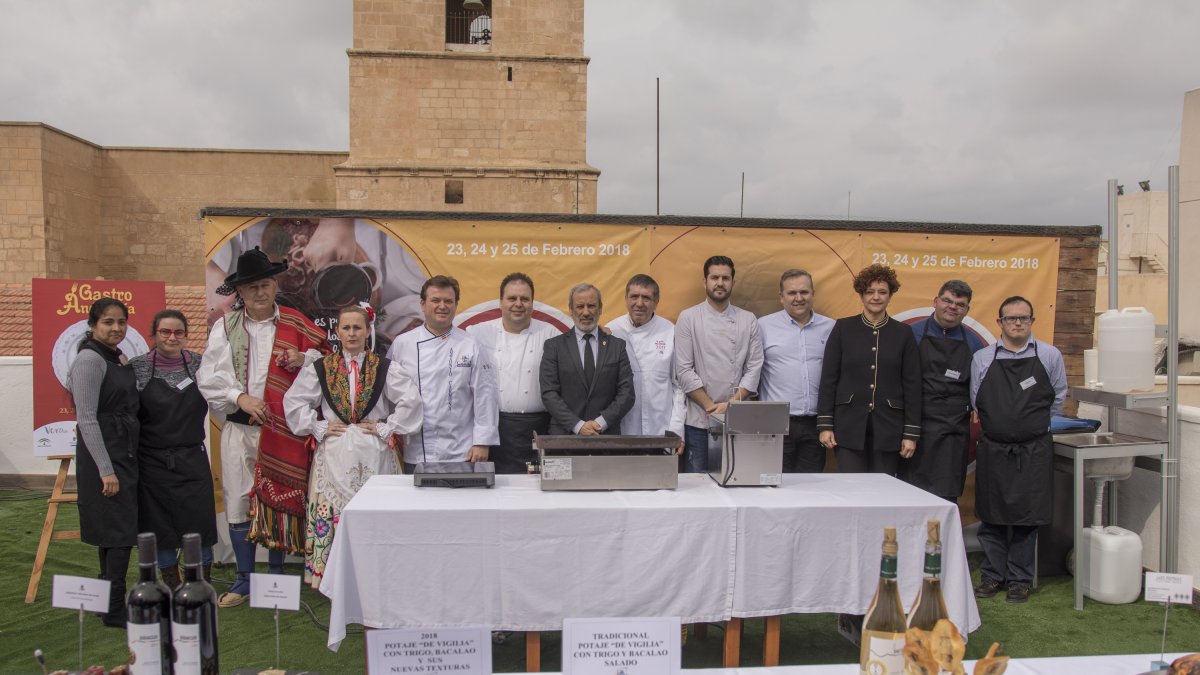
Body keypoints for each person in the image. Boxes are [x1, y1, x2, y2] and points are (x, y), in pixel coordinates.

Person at [197, 246, 329, 608]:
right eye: (252, 286)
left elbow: (328, 366)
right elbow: (208, 378)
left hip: (285, 431)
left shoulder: (297, 324)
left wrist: (304, 359)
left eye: (266, 284)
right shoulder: (226, 327)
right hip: (241, 430)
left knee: (280, 497)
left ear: (275, 285)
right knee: (240, 499)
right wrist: (240, 398)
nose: (260, 292)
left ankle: (276, 579)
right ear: (239, 291)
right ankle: (243, 579)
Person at [284, 305, 422, 587]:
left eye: (357, 327)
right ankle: (333, 577)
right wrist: (318, 426)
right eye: (346, 328)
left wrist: (387, 426)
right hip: (335, 451)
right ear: (336, 332)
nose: (351, 333)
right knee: (331, 509)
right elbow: (295, 401)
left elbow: (411, 401)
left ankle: (379, 572)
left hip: (374, 450)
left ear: (368, 331)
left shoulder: (384, 367)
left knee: (377, 510)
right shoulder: (321, 367)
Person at [971, 295, 1067, 603]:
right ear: (999, 322)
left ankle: (1020, 579)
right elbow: (976, 400)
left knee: (1027, 518)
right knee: (993, 515)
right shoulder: (982, 359)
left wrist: (1028, 426)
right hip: (993, 449)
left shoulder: (1050, 356)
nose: (1017, 323)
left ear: (1031, 321)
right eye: (1011, 318)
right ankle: (992, 575)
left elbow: (1058, 397)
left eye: (1023, 318)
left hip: (1034, 449)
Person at [130, 310, 218, 590]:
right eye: (165, 332)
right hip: (152, 461)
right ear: (154, 335)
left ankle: (200, 585)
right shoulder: (137, 368)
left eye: (178, 332)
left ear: (186, 335)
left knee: (200, 526)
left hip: (192, 457)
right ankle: (170, 584)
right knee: (160, 528)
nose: (172, 337)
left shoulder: (199, 364)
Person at [68, 298, 139, 627]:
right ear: (93, 325)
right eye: (108, 322)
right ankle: (113, 609)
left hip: (120, 451)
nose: (116, 328)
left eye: (121, 322)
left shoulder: (116, 358)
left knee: (114, 532)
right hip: (104, 456)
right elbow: (86, 419)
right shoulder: (88, 360)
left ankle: (104, 604)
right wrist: (106, 469)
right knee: (121, 532)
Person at [817, 264, 921, 475]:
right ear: (861, 295)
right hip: (848, 426)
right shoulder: (843, 328)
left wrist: (910, 433)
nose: (876, 297)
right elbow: (829, 379)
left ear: (890, 295)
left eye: (882, 292)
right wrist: (825, 425)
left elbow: (912, 385)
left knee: (883, 492)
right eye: (869, 292)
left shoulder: (903, 333)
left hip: (890, 428)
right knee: (852, 488)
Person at [386, 275, 498, 470]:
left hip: (462, 449)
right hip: (415, 449)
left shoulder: (471, 345)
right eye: (435, 300)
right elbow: (388, 393)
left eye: (448, 301)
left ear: (456, 305)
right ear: (422, 304)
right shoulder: (402, 344)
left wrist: (482, 442)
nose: (442, 306)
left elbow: (485, 395)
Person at [899, 280, 987, 502]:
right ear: (936, 301)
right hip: (917, 426)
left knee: (946, 495)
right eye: (947, 300)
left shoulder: (974, 342)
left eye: (960, 304)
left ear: (967, 310)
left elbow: (981, 385)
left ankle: (941, 538)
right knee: (911, 493)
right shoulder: (910, 334)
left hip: (954, 430)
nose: (952, 307)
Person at [674, 255, 764, 472]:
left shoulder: (748, 319)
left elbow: (754, 367)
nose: (720, 283)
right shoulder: (688, 318)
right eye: (714, 277)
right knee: (699, 486)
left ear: (733, 282)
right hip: (699, 421)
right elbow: (684, 370)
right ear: (705, 281)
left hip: (736, 419)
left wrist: (730, 405)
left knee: (735, 480)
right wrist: (711, 408)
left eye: (725, 278)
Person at [466, 273, 559, 473]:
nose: (518, 304)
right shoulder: (476, 333)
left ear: (533, 303)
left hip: (538, 429)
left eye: (524, 299)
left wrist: (599, 332)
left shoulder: (551, 334)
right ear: (500, 302)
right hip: (493, 431)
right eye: (512, 298)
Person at [758, 269, 835, 473]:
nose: (798, 298)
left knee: (810, 489)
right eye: (792, 293)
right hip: (775, 424)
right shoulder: (763, 326)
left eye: (804, 292)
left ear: (813, 293)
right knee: (774, 486)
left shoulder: (831, 328)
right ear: (781, 297)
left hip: (815, 426)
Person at [540, 283, 635, 436]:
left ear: (600, 308)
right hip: (564, 438)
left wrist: (600, 423)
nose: (586, 312)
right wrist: (578, 425)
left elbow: (627, 392)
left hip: (606, 438)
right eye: (580, 306)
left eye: (591, 306)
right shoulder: (554, 347)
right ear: (570, 309)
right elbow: (549, 393)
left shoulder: (617, 346)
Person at [606, 274, 685, 442]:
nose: (639, 303)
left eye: (646, 298)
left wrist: (676, 430)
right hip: (621, 432)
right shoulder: (612, 330)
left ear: (656, 301)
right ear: (626, 299)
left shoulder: (670, 331)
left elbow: (679, 386)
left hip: (661, 430)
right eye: (634, 297)